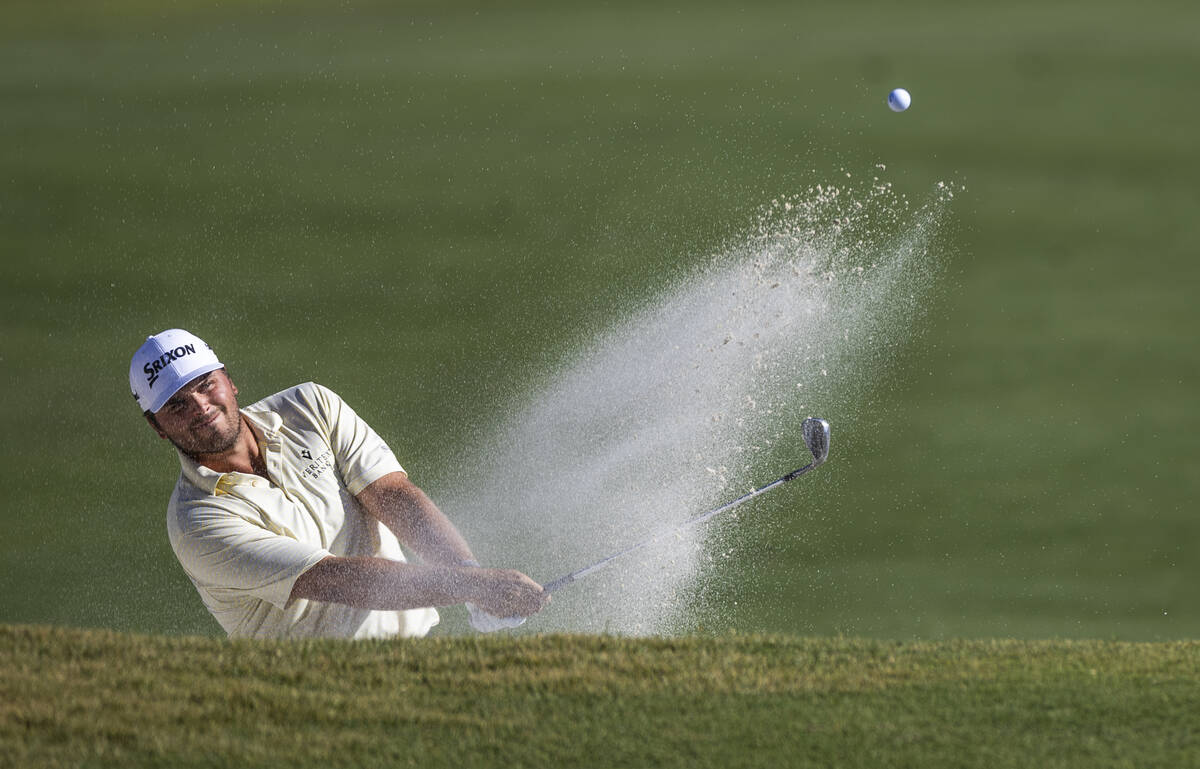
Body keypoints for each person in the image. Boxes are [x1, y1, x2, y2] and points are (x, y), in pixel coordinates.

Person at [130, 328, 548, 639]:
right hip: (318, 692)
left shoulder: (308, 406)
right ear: (157, 427)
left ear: (229, 381)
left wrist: (466, 571)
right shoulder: (196, 521)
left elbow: (390, 493)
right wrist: (472, 586)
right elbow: (333, 579)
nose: (202, 408)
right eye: (177, 405)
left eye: (206, 386)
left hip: (420, 651)